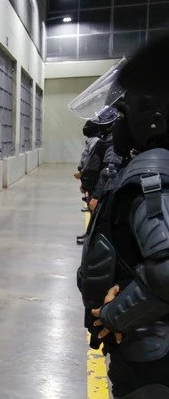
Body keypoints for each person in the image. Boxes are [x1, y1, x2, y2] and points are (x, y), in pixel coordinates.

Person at [76, 35, 169, 398]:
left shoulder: (153, 175)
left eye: (123, 114)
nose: (116, 125)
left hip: (152, 351)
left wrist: (115, 313)